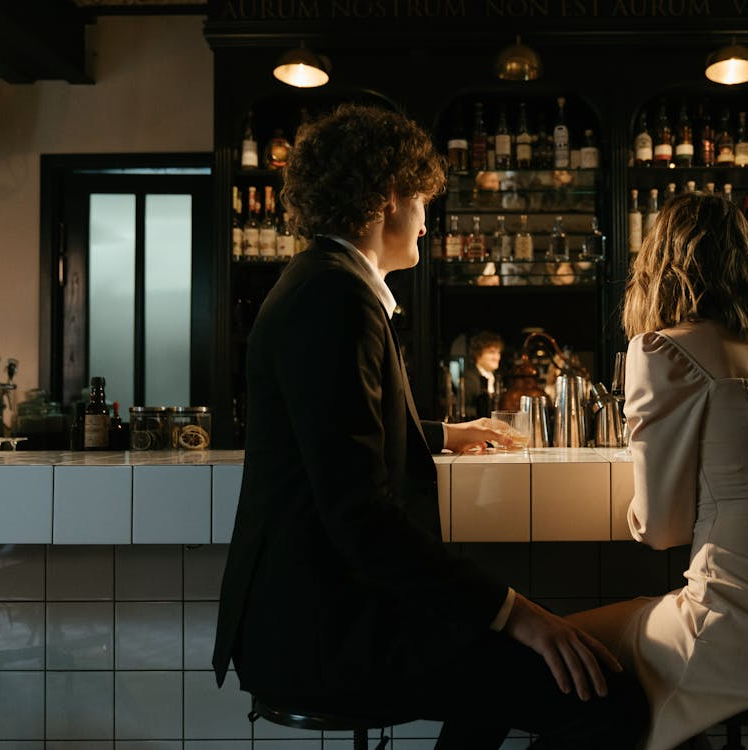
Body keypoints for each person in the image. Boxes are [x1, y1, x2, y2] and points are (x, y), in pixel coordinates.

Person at [212, 103, 647, 750]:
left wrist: (442, 433)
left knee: (506, 676)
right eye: (422, 200)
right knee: (607, 697)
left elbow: (333, 429)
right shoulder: (334, 299)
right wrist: (518, 614)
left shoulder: (322, 282)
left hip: (316, 616)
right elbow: (360, 516)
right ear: (389, 196)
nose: (426, 219)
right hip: (327, 632)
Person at [568, 192, 748, 750]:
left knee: (561, 642)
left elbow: (661, 530)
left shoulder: (662, 351)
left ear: (658, 264)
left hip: (743, 624)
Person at [462, 330, 504, 418]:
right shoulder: (469, 379)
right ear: (477, 354)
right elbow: (465, 409)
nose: (497, 357)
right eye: (492, 352)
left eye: (498, 352)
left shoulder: (497, 378)